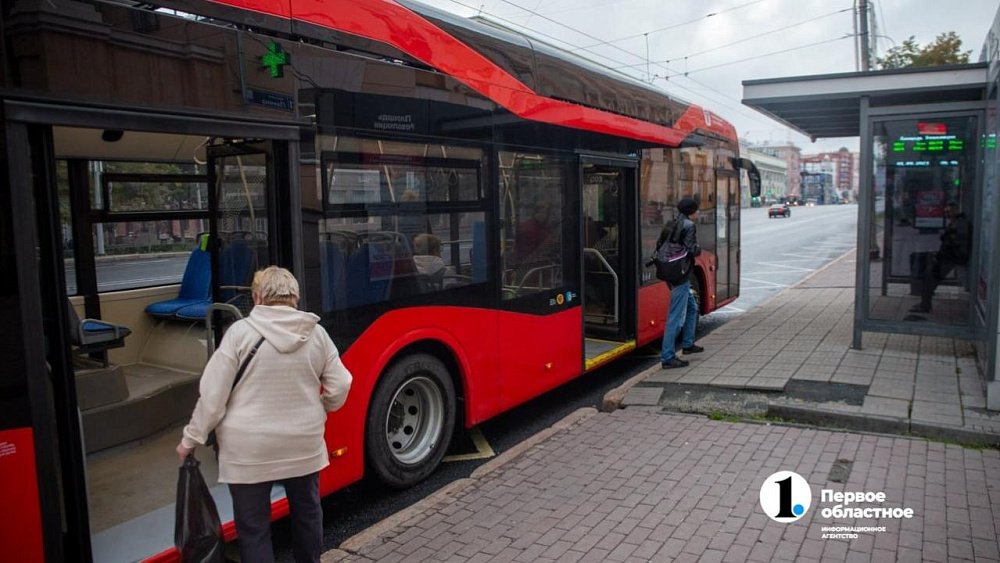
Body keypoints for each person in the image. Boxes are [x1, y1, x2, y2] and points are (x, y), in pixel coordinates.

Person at [176, 266, 352, 563]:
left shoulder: (239, 334)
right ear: (294, 297)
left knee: (254, 528)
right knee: (308, 514)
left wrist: (191, 439)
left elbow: (213, 398)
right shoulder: (316, 334)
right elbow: (342, 383)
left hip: (248, 450)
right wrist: (321, 410)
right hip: (302, 443)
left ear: (257, 297)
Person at [659, 198, 703, 369]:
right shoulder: (689, 225)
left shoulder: (672, 222)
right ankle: (668, 357)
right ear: (691, 211)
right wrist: (698, 248)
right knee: (675, 317)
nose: (698, 213)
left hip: (669, 270)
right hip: (680, 274)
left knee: (692, 307)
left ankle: (688, 344)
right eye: (697, 210)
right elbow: (692, 250)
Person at [910, 202, 972, 313]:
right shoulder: (957, 222)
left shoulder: (960, 223)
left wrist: (941, 255)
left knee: (930, 276)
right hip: (950, 256)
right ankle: (925, 303)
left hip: (952, 257)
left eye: (949, 211)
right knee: (930, 275)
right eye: (946, 212)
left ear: (956, 210)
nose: (947, 214)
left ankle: (925, 305)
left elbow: (955, 244)